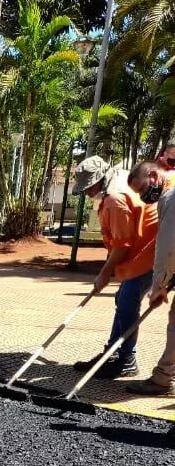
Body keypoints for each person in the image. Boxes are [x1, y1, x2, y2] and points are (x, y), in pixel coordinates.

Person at [69, 155, 158, 379]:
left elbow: (122, 245)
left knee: (127, 301)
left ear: (101, 179)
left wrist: (104, 274)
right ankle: (112, 353)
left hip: (149, 254)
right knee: (123, 299)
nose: (88, 193)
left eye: (90, 187)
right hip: (140, 253)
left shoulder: (115, 200)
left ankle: (126, 359)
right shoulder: (113, 191)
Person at [124, 160, 175, 394]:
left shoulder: (170, 196)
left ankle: (163, 379)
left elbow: (167, 246)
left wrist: (159, 285)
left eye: (143, 189)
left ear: (154, 175)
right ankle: (164, 377)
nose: (144, 197)